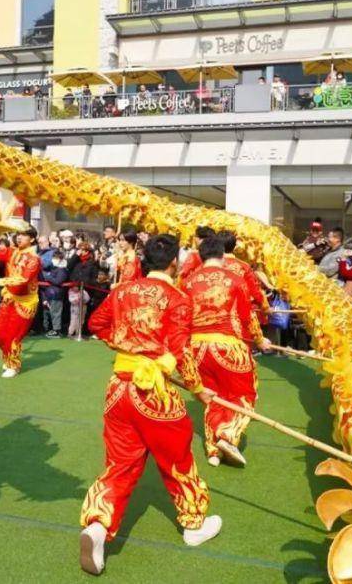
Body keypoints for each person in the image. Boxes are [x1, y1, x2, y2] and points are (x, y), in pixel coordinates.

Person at [79, 234, 220, 575]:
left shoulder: (123, 290)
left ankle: (97, 524)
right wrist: (199, 389)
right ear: (174, 263)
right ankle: (192, 523)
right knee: (177, 458)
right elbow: (182, 351)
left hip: (118, 388)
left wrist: (126, 346)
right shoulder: (177, 298)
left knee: (119, 463)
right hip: (154, 391)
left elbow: (96, 324)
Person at [182, 236, 269, 467]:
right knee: (244, 394)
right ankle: (228, 436)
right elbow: (247, 315)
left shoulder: (188, 282)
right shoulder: (235, 279)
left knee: (213, 398)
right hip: (228, 347)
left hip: (197, 349)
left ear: (200, 256)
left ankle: (213, 451)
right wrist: (260, 340)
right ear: (223, 255)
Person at [0, 227, 41, 378]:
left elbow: (23, 280)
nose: (19, 238)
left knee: (13, 336)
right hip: (9, 298)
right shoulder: (12, 251)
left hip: (25, 302)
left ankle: (13, 364)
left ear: (31, 239)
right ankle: (8, 356)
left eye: (24, 235)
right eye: (18, 234)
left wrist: (0, 281)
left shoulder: (34, 259)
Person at [69, 241, 99, 338]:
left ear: (87, 251)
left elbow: (94, 277)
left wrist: (84, 284)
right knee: (73, 311)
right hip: (74, 289)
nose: (80, 252)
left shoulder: (92, 263)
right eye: (79, 249)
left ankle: (80, 331)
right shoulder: (76, 260)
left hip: (86, 289)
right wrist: (75, 256)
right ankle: (72, 330)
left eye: (83, 250)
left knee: (83, 312)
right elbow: (68, 266)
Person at [41, 251, 68, 338]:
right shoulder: (54, 268)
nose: (53, 260)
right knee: (52, 312)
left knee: (56, 312)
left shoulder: (62, 270)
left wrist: (48, 277)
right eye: (53, 258)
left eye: (55, 258)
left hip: (57, 294)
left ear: (60, 259)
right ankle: (54, 329)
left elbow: (58, 281)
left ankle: (57, 330)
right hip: (51, 294)